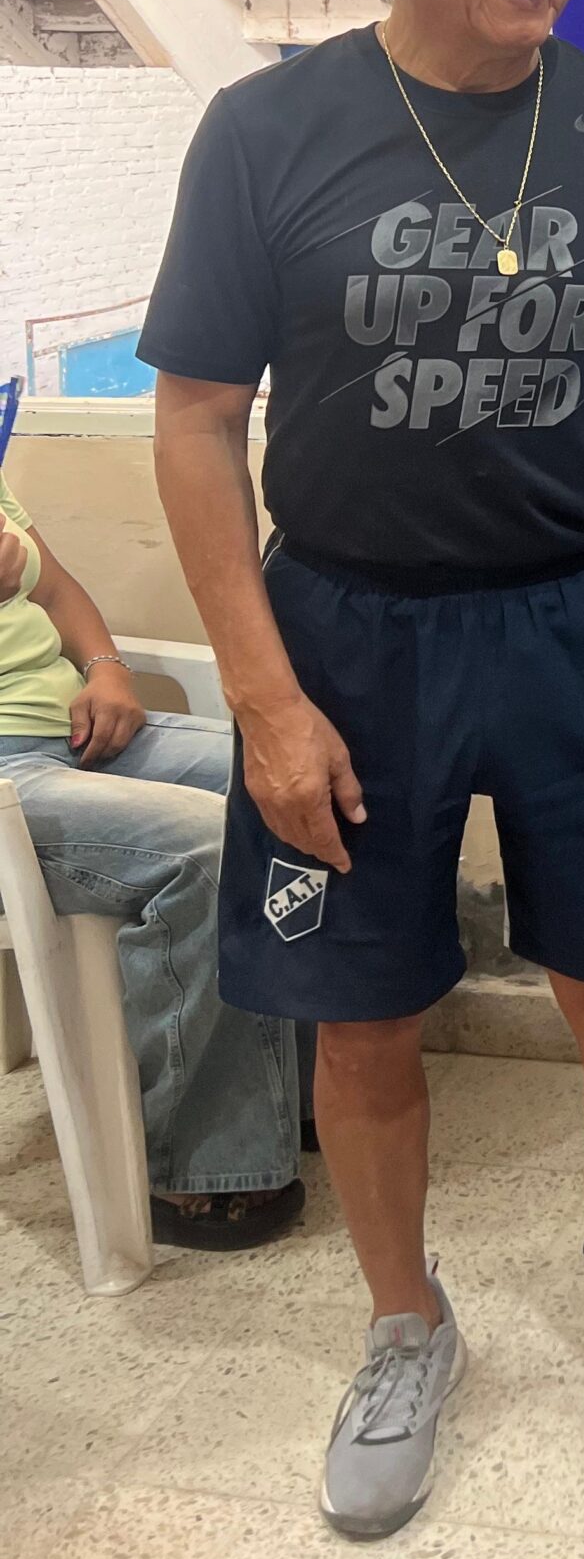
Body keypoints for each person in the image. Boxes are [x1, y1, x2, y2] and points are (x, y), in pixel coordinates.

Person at [139, 0, 584, 1559]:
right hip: (347, 634)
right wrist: (262, 697)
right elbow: (196, 423)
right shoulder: (268, 132)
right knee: (363, 1013)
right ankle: (405, 1328)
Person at [0, 476, 303, 1246]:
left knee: (298, 777)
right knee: (209, 848)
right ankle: (200, 1167)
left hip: (78, 732)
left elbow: (56, 589)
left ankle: (294, 1099)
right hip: (8, 774)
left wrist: (107, 670)